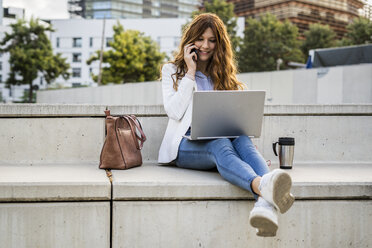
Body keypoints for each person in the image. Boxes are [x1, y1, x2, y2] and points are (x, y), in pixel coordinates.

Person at [158, 13, 294, 237]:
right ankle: (264, 190)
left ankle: (263, 206)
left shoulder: (223, 75)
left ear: (219, 44)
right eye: (200, 39)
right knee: (219, 143)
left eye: (212, 40)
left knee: (243, 140)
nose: (205, 45)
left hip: (222, 139)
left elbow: (235, 118)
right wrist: (190, 73)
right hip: (184, 145)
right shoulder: (171, 71)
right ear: (191, 40)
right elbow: (174, 111)